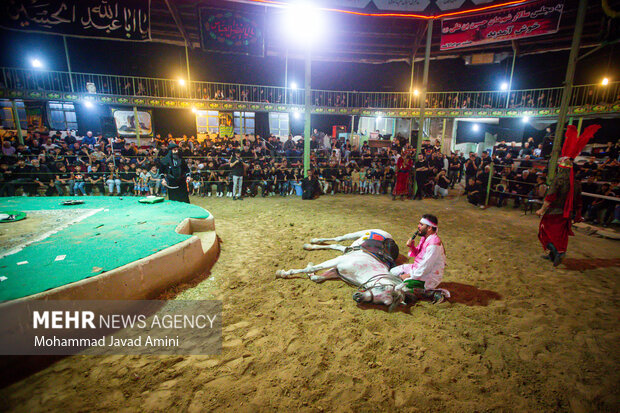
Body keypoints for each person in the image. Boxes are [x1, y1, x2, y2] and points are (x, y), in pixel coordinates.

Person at [536, 124, 600, 266]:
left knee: (545, 232)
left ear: (561, 165)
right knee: (561, 235)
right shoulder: (576, 182)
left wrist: (542, 210)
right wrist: (577, 214)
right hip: (566, 213)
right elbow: (578, 201)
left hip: (554, 212)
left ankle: (557, 252)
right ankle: (556, 253)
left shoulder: (559, 179)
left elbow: (550, 196)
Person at [390, 214, 447, 303]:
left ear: (429, 228)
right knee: (391, 273)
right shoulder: (425, 238)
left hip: (429, 275)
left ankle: (432, 293)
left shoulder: (433, 245)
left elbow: (426, 267)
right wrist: (412, 246)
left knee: (402, 288)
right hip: (417, 268)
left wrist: (409, 275)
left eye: (421, 224)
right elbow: (419, 255)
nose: (418, 226)